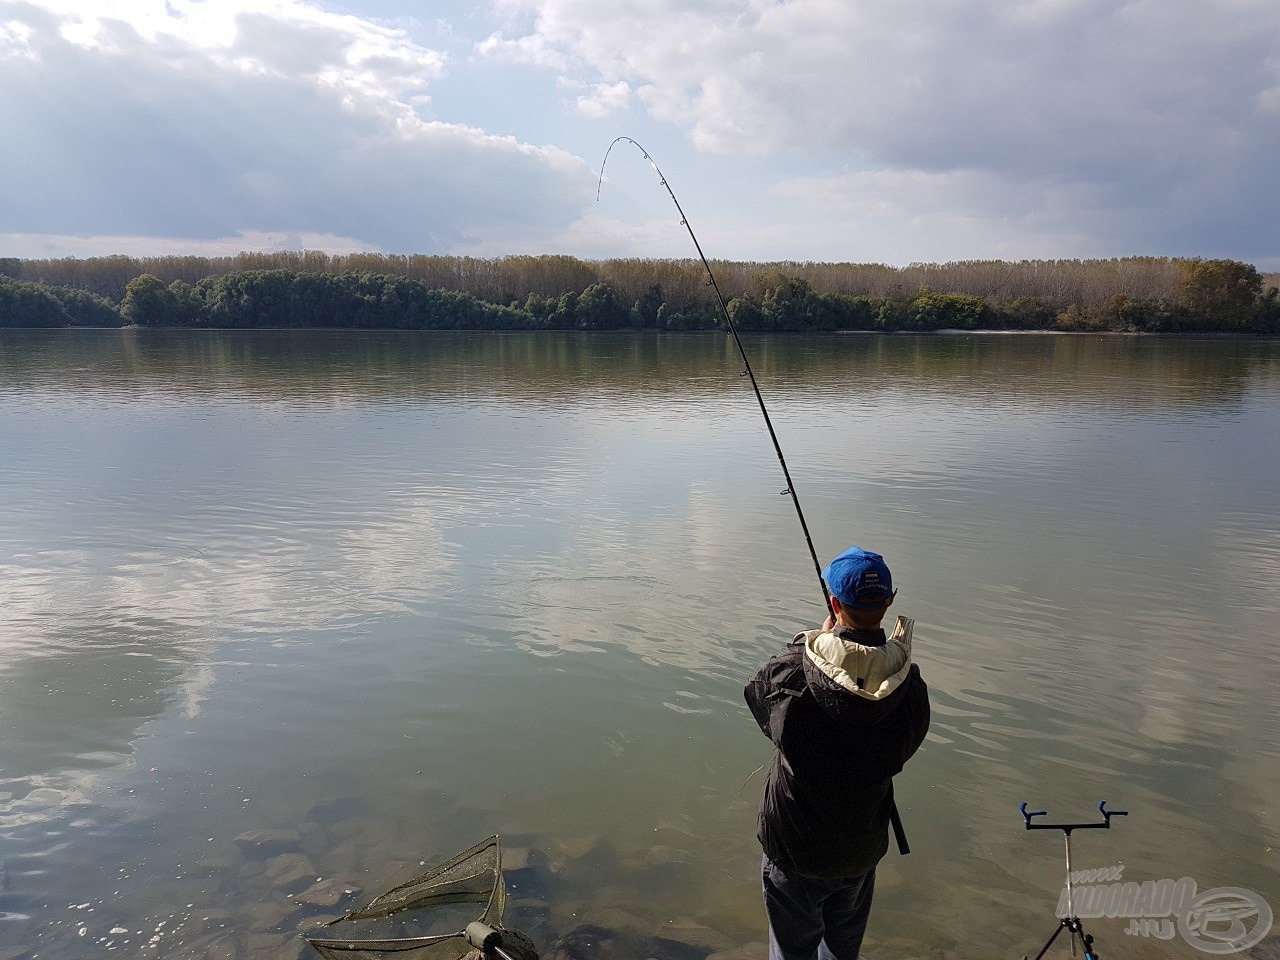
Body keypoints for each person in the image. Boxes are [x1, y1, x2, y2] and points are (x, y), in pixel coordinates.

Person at [744, 546, 930, 960]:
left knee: (792, 951)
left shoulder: (794, 674)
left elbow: (757, 695)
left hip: (794, 848)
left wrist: (820, 643)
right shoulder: (909, 689)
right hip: (860, 847)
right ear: (888, 603)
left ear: (833, 603)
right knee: (842, 951)